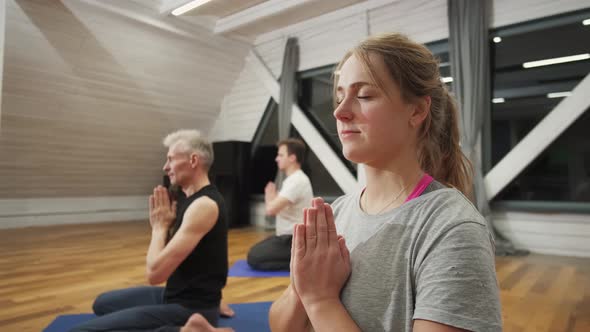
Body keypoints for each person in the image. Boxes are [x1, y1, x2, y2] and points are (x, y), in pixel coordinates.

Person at [268, 33, 502, 331]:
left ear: (416, 110)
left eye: (364, 95)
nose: (340, 111)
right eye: (339, 97)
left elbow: (317, 302)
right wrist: (299, 290)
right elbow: (282, 326)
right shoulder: (336, 214)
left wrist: (320, 300)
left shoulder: (452, 228)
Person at [71, 129, 229, 331]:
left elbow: (155, 274)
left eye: (171, 159)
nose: (166, 167)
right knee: (102, 303)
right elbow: (211, 260)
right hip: (175, 295)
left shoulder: (204, 206)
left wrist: (159, 228)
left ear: (193, 161)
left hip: (189, 308)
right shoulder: (189, 199)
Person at [247, 138, 314, 271]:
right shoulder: (293, 180)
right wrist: (273, 198)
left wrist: (268, 196)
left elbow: (271, 210)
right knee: (256, 251)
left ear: (292, 158)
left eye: (281, 155)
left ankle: (305, 261)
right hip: (287, 238)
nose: (276, 159)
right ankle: (301, 258)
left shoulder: (297, 181)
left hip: (293, 239)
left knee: (254, 257)